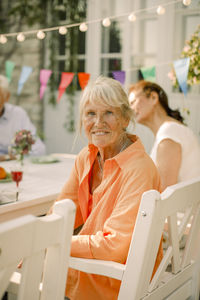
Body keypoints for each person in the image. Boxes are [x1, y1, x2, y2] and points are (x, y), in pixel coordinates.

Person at [57, 76, 162, 300]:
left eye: (109, 113)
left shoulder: (138, 168)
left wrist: (51, 240)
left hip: (119, 282)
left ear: (125, 118)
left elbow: (114, 246)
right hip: (91, 270)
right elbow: (61, 211)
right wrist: (41, 235)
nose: (98, 122)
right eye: (91, 114)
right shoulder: (87, 156)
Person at [128, 80, 200, 192]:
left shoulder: (169, 132)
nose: (130, 109)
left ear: (153, 97)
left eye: (133, 102)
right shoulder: (171, 130)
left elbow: (164, 192)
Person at [0, 75, 46, 160]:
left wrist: (9, 157)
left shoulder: (18, 114)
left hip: (14, 168)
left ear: (7, 97)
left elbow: (39, 149)